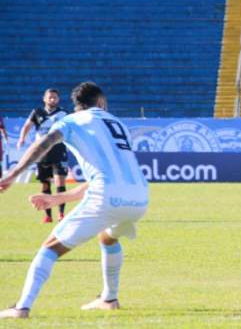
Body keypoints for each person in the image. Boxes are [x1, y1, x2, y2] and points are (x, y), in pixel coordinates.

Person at [0, 82, 149, 319]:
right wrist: (59, 198)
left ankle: (21, 307)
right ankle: (109, 299)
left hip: (107, 196)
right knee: (108, 237)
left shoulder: (70, 121)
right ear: (100, 102)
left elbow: (44, 143)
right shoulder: (117, 123)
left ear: (77, 105)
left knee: (50, 247)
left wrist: (13, 174)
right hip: (140, 197)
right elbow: (107, 175)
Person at [18, 89, 69, 223]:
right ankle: (48, 215)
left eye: (55, 98)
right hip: (42, 152)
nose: (52, 100)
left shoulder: (64, 113)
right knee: (45, 185)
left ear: (58, 99)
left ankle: (61, 214)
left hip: (59, 150)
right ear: (44, 99)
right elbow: (26, 126)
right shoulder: (37, 112)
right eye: (50, 97)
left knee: (60, 183)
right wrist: (21, 139)